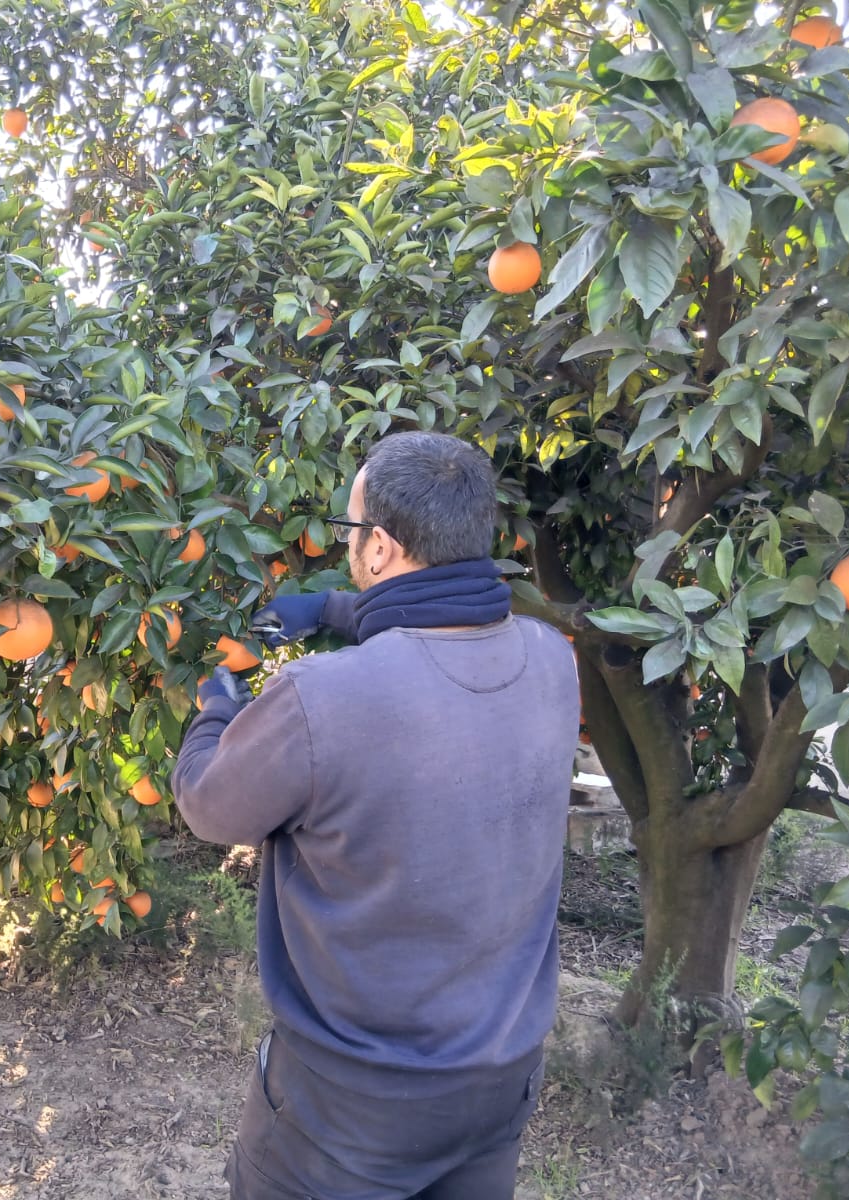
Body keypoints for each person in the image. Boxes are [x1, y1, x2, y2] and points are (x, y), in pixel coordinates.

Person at [173, 431, 578, 1200]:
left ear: (383, 548)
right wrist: (333, 608)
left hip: (351, 1110)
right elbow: (438, 634)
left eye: (352, 533)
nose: (348, 547)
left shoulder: (324, 697)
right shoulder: (551, 658)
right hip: (499, 1084)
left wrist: (214, 708)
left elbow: (208, 805)